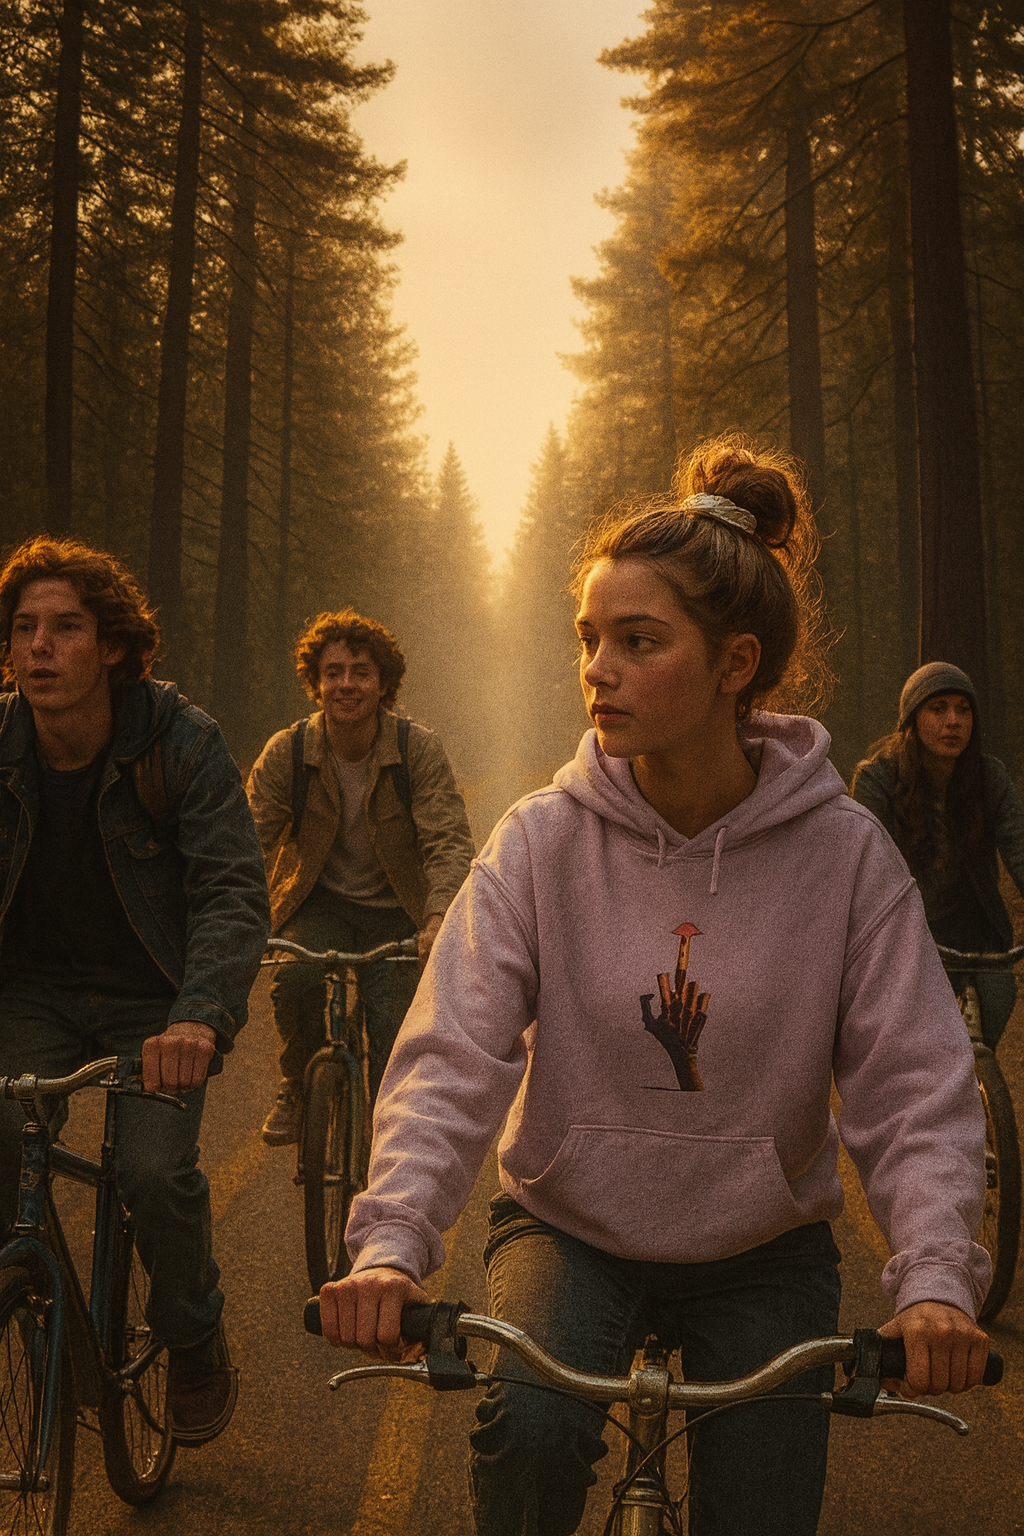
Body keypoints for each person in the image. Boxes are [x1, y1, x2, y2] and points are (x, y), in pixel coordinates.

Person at [319, 439, 991, 1536]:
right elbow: (454, 1053)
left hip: (760, 1252)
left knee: (763, 1509)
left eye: (637, 642)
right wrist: (391, 1243)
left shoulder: (846, 855)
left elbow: (913, 1087)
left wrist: (932, 1280)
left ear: (735, 664)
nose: (597, 669)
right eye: (589, 639)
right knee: (527, 1442)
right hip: (568, 1226)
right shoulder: (540, 840)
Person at [0, 536, 269, 1446]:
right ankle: (30, 1307)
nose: (39, 647)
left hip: (154, 997)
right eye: (24, 628)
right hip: (31, 992)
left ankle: (192, 1335)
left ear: (111, 645)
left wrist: (199, 1015)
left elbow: (232, 889)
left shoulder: (178, 740)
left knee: (154, 1173)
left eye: (65, 628)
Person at [247, 609, 474, 1145]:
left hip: (396, 908)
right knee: (293, 980)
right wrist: (235, 915)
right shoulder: (290, 751)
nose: (346, 683)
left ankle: (391, 1132)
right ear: (316, 682)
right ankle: (298, 1086)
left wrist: (439, 914)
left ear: (383, 683)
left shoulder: (416, 749)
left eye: (361, 671)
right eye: (334, 672)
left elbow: (447, 839)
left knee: (394, 1020)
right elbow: (245, 842)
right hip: (318, 903)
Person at [851, 662, 1024, 1050]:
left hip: (978, 936)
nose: (953, 721)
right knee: (912, 1051)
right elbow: (871, 870)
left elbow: (1019, 849)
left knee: (996, 1005)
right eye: (938, 708)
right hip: (906, 935)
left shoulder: (989, 777)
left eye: (964, 710)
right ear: (912, 720)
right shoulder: (877, 780)